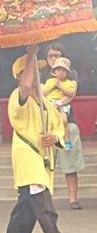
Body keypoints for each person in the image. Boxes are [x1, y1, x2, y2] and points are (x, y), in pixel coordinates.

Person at [0, 52, 82, 233]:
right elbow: (26, 87)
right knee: (45, 208)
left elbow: (60, 131)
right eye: (31, 72)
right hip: (29, 160)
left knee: (26, 209)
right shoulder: (19, 97)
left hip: (43, 161)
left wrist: (54, 138)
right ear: (21, 76)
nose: (36, 76)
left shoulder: (45, 102)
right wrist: (32, 51)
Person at [44, 56, 83, 210]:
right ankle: (45, 200)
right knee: (46, 166)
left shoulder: (71, 82)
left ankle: (73, 199)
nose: (53, 59)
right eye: (51, 56)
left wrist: (59, 87)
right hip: (47, 125)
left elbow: (71, 95)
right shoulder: (45, 78)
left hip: (66, 122)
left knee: (70, 165)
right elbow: (42, 94)